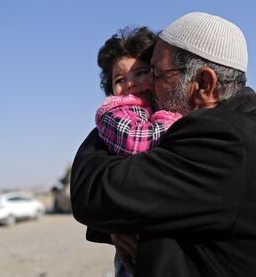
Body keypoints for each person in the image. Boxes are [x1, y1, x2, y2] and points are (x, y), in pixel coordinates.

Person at [71, 12, 256, 276]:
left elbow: (92, 192)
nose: (146, 87)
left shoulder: (221, 140)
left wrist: (110, 116)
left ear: (203, 84)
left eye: (157, 74)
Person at [90, 26, 181, 277]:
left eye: (140, 73)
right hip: (134, 235)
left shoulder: (159, 106)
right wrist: (177, 120)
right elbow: (136, 142)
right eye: (120, 80)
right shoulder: (113, 113)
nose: (131, 84)